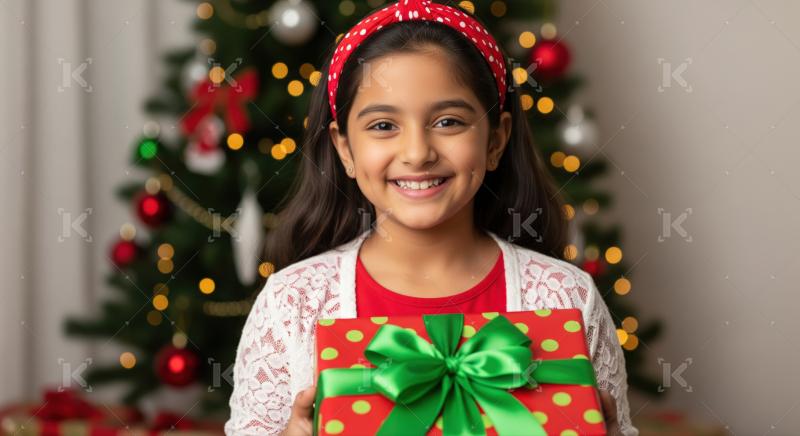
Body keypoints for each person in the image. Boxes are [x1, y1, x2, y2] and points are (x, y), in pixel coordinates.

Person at [225, 1, 637, 434]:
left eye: (448, 121)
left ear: (496, 139)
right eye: (384, 126)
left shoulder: (567, 297)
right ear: (345, 149)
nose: (418, 153)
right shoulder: (292, 305)